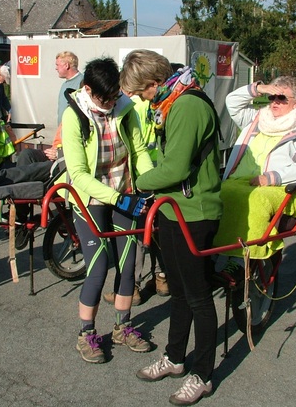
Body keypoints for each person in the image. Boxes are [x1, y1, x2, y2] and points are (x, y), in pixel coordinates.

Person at [120, 49, 222, 406]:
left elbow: (176, 168)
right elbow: (167, 160)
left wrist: (137, 182)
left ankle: (203, 374)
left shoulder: (188, 106)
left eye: (141, 92)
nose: (141, 99)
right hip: (174, 208)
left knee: (198, 295)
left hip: (196, 212)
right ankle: (176, 358)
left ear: (154, 83)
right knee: (178, 290)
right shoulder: (170, 104)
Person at [56, 56, 154, 364]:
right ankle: (87, 334)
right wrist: (116, 198)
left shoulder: (124, 109)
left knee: (127, 264)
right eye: (105, 97)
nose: (111, 102)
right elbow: (80, 173)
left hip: (123, 190)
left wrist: (149, 185)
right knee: (98, 266)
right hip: (90, 198)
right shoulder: (75, 116)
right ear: (87, 89)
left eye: (115, 95)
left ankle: (122, 327)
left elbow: (138, 152)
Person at [213, 76, 296, 276]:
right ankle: (214, 250)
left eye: (282, 98)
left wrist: (272, 178)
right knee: (215, 193)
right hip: (240, 181)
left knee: (255, 199)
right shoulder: (256, 121)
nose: (275, 102)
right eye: (272, 96)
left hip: (279, 188)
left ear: (295, 103)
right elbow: (232, 101)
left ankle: (241, 260)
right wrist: (260, 88)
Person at [102, 86, 170, 307]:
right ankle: (162, 278)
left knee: (139, 232)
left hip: (142, 174)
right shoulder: (163, 102)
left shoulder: (133, 106)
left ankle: (133, 287)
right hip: (160, 169)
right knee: (158, 227)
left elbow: (133, 145)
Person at [55, 51, 82, 124]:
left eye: (57, 65)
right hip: (62, 132)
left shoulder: (82, 83)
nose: (56, 68)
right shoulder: (64, 85)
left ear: (66, 65)